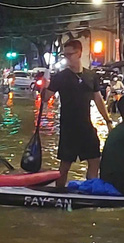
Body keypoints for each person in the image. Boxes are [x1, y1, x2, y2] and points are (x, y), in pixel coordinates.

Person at [43, 39, 112, 189]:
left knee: (94, 160)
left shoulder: (91, 76)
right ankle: (59, 193)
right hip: (68, 127)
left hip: (86, 126)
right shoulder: (60, 77)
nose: (67, 58)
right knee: (65, 165)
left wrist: (108, 121)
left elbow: (98, 99)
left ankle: (90, 189)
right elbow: (45, 98)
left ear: (79, 53)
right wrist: (44, 83)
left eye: (70, 54)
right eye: (65, 55)